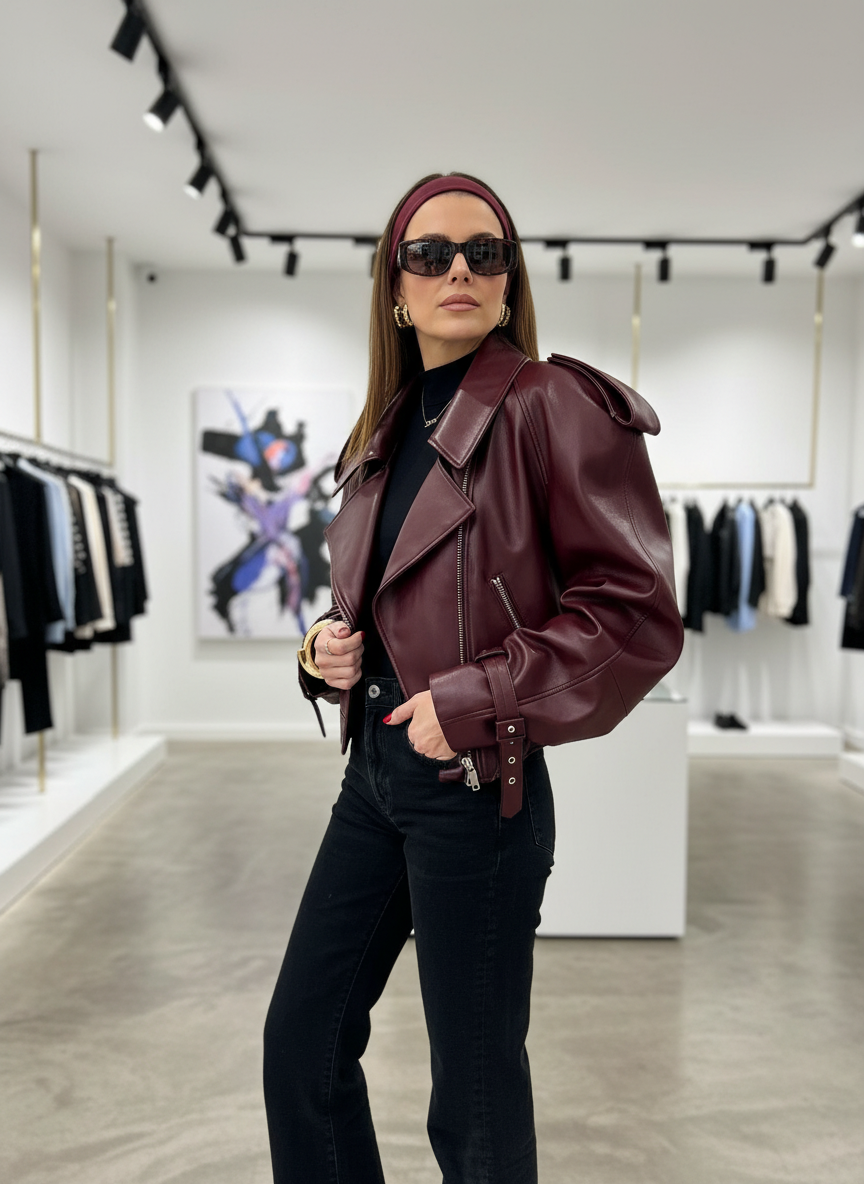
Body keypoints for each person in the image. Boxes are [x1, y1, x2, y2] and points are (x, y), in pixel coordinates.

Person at [263, 172, 683, 1184]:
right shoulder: (383, 431)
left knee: (475, 1102)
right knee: (300, 1047)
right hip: (374, 776)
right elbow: (376, 602)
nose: (458, 268)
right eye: (430, 253)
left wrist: (478, 696)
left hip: (477, 786)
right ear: (396, 291)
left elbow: (634, 615)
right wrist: (324, 649)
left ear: (507, 282)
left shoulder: (551, 404)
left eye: (483, 252)